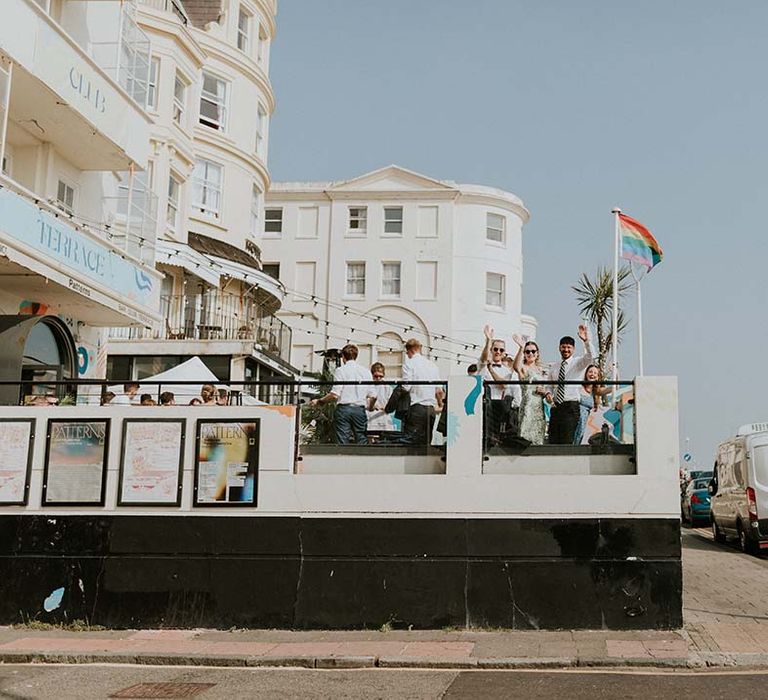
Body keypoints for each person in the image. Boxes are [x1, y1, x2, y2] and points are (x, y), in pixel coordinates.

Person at [309, 344, 375, 445]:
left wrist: (320, 401)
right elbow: (373, 396)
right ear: (356, 356)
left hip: (344, 409)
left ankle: (343, 459)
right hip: (359, 410)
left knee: (342, 442)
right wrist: (370, 407)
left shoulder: (340, 371)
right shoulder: (366, 372)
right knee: (361, 439)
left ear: (343, 357)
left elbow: (335, 394)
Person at [545, 325, 593, 444]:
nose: (566, 350)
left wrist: (586, 341)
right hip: (556, 407)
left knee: (566, 440)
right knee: (553, 440)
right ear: (559, 348)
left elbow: (590, 357)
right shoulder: (554, 367)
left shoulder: (578, 363)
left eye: (569, 347)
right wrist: (548, 393)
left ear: (573, 349)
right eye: (563, 347)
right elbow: (549, 385)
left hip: (571, 406)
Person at [479, 325, 521, 446]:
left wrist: (491, 370)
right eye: (495, 349)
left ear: (504, 353)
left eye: (501, 350)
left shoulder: (507, 371)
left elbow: (504, 385)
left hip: (499, 407)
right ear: (491, 350)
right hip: (484, 405)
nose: (498, 352)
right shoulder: (483, 365)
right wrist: (488, 341)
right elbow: (483, 358)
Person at [401, 338, 442, 445]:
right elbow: (439, 390)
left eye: (407, 353)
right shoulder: (432, 365)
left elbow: (406, 387)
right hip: (431, 410)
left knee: (412, 443)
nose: (407, 355)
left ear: (411, 350)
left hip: (416, 407)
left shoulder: (409, 364)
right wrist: (441, 404)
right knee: (427, 443)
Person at [511, 335, 549, 445]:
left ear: (537, 353)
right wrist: (521, 347)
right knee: (525, 434)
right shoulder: (523, 367)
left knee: (538, 434)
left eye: (533, 351)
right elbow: (516, 367)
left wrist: (544, 391)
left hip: (539, 405)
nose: (530, 354)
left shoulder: (541, 369)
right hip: (528, 404)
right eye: (527, 352)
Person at [573, 364, 612, 445]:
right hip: (574, 418)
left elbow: (611, 388)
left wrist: (613, 373)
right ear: (586, 373)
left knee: (579, 439)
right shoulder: (578, 387)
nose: (592, 374)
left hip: (584, 422)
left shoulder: (596, 391)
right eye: (590, 372)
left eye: (595, 373)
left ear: (598, 377)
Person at [366, 362, 399, 440]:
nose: (378, 378)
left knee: (385, 438)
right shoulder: (367, 386)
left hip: (384, 416)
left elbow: (391, 404)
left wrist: (384, 407)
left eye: (380, 376)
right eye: (376, 376)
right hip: (371, 416)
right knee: (370, 438)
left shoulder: (387, 387)